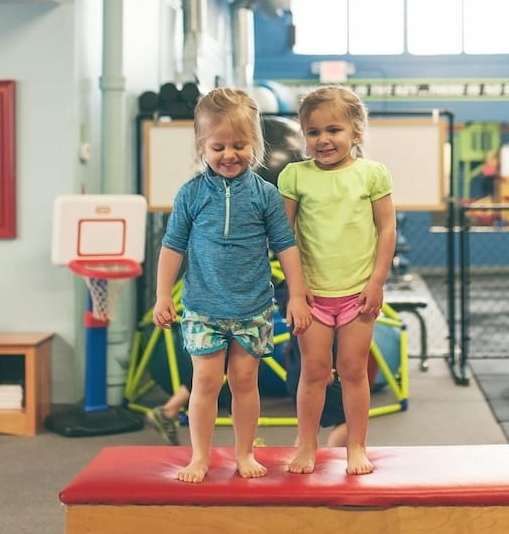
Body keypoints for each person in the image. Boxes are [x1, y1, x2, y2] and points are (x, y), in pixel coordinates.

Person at [153, 87, 311, 483]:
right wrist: (161, 295)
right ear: (202, 146)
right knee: (204, 381)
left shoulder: (265, 195)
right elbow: (172, 247)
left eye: (240, 145)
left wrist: (296, 295)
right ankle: (200, 456)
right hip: (203, 306)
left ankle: (244, 453)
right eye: (218, 146)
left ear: (255, 144)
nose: (229, 155)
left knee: (244, 382)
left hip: (251, 306)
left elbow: (286, 246)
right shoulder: (191, 194)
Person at [277, 84, 396, 475]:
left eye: (333, 130)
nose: (323, 140)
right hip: (312, 296)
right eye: (313, 132)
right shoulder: (295, 176)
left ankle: (356, 447)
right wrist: (296, 289)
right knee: (313, 372)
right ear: (303, 136)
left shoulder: (372, 174)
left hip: (358, 295)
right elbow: (284, 236)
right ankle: (306, 444)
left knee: (352, 371)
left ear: (355, 133)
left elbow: (387, 229)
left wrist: (377, 281)